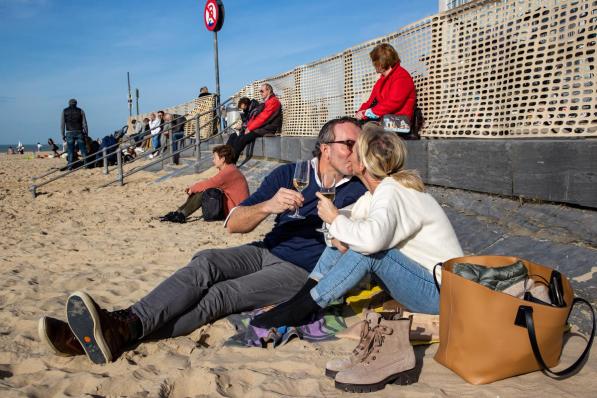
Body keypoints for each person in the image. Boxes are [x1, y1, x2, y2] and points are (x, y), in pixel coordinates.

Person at [37, 117, 367, 365]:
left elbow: (365, 238)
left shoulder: (361, 187)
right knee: (206, 261)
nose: (355, 151)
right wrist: (267, 206)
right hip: (265, 249)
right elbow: (233, 225)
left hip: (300, 270)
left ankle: (116, 330)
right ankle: (120, 327)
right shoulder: (290, 174)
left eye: (358, 144)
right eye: (348, 144)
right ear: (325, 148)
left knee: (222, 294)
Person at [251, 125, 463, 329]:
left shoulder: (394, 191)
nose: (349, 154)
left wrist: (335, 220)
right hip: (424, 285)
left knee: (370, 252)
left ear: (362, 164)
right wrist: (336, 230)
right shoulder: (375, 194)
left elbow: (368, 242)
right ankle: (302, 299)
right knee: (352, 240)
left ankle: (305, 307)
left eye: (354, 149)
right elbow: (348, 225)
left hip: (444, 296)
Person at [160, 145, 249, 223]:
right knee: (203, 189)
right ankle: (179, 212)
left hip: (236, 211)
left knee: (205, 191)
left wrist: (192, 189)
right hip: (235, 208)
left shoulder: (229, 172)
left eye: (215, 157)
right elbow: (211, 182)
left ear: (222, 159)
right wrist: (194, 188)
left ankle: (181, 214)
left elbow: (210, 183)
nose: (213, 160)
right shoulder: (230, 169)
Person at [355, 44, 416, 133]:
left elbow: (393, 103)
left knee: (368, 129)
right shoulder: (381, 81)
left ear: (380, 63)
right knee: (355, 127)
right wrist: (360, 113)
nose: (373, 65)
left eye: (374, 62)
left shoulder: (401, 76)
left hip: (400, 122)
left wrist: (368, 113)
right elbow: (370, 102)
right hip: (385, 119)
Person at [226, 83, 283, 163]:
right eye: (260, 91)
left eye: (262, 91)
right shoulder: (266, 102)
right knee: (235, 136)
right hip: (261, 127)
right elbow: (255, 119)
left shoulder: (273, 102)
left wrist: (249, 128)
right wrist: (246, 127)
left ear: (269, 90)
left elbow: (263, 118)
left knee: (242, 138)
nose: (260, 93)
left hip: (267, 128)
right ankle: (225, 157)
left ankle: (231, 163)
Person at [61, 98, 89, 169]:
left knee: (70, 150)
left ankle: (70, 166)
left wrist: (62, 135)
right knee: (83, 149)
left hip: (69, 132)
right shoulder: (80, 110)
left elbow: (62, 124)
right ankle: (86, 165)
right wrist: (86, 133)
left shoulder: (64, 111)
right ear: (76, 103)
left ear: (69, 104)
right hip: (79, 131)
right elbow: (84, 123)